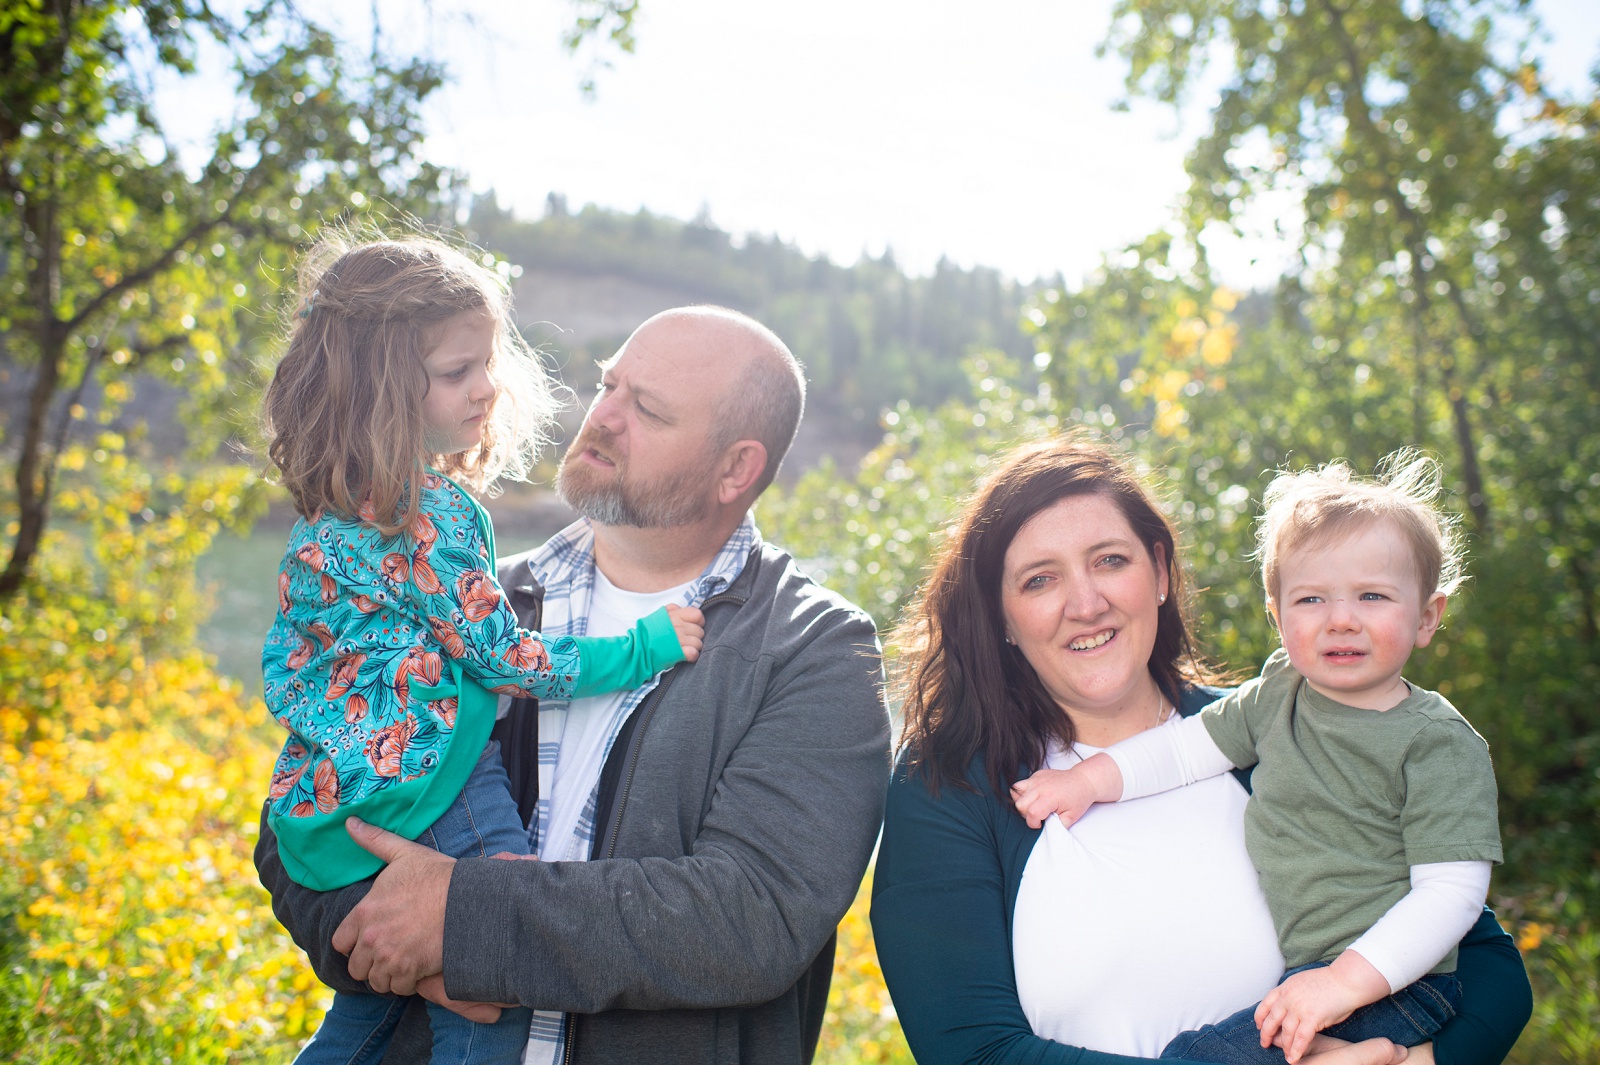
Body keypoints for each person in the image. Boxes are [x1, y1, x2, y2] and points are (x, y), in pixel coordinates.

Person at [255, 305, 893, 1065]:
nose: (604, 417)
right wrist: (410, 952)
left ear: (736, 469)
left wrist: (463, 923)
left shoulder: (816, 649)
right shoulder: (469, 600)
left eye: (647, 409)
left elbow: (750, 915)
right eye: (608, 385)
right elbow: (300, 822)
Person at [870, 433, 1531, 1065]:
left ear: (1159, 571)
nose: (1086, 602)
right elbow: (972, 1051)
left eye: (1110, 560)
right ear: (1002, 615)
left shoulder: (1279, 729)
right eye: (1039, 580)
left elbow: (1484, 962)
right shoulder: (949, 782)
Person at [259, 237, 705, 1064]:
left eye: (487, 362)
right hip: (442, 791)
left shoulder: (327, 522)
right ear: (385, 391)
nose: (486, 386)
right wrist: (645, 646)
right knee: (492, 992)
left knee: (360, 1022)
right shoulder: (430, 515)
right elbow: (509, 660)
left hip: (330, 809)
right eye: (458, 370)